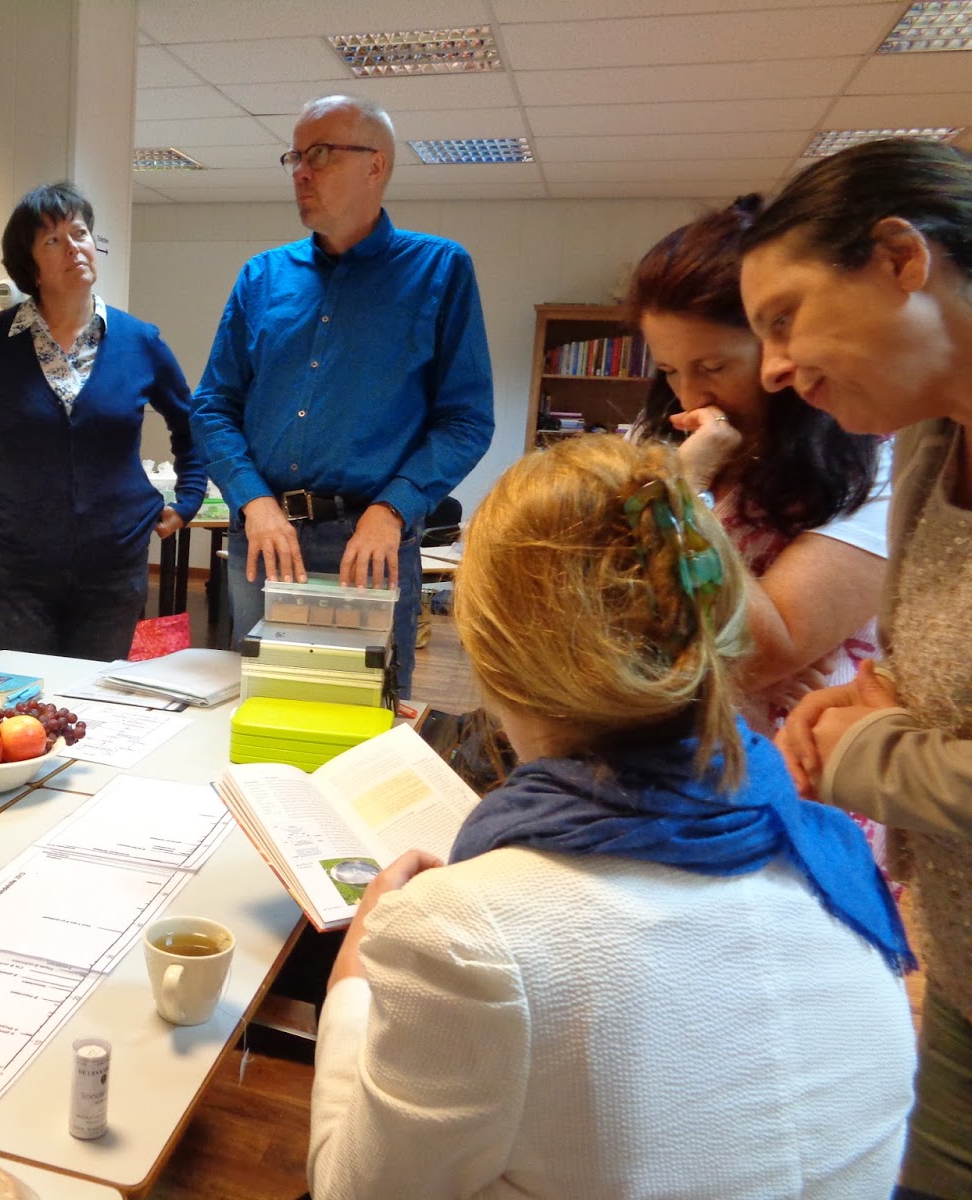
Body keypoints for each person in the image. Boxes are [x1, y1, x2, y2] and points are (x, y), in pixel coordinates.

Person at [308, 434, 917, 1199]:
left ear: (494, 656)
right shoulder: (838, 867)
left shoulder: (466, 937)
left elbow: (351, 1189)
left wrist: (354, 984)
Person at [741, 137, 972, 1200]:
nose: (772, 369)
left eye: (783, 318)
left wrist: (871, 747)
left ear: (898, 259)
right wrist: (870, 710)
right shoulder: (928, 441)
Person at [192, 94, 494, 696]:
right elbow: (213, 406)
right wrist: (253, 502)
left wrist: (393, 509)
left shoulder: (439, 271)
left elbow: (466, 420)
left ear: (376, 165)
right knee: (265, 706)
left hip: (370, 543)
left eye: (321, 154)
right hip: (265, 538)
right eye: (295, 157)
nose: (301, 172)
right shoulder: (262, 277)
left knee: (364, 713)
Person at [0, 181, 207, 660]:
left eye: (80, 233)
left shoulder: (140, 342)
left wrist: (189, 497)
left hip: (115, 564)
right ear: (30, 267)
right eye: (53, 240)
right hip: (15, 567)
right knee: (28, 694)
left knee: (93, 695)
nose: (73, 247)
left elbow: (190, 425)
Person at [625, 200, 889, 735]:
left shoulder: (876, 459)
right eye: (669, 370)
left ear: (779, 350)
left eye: (714, 366)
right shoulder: (655, 435)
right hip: (661, 742)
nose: (690, 396)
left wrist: (680, 491)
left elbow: (763, 651)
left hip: (791, 760)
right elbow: (591, 594)